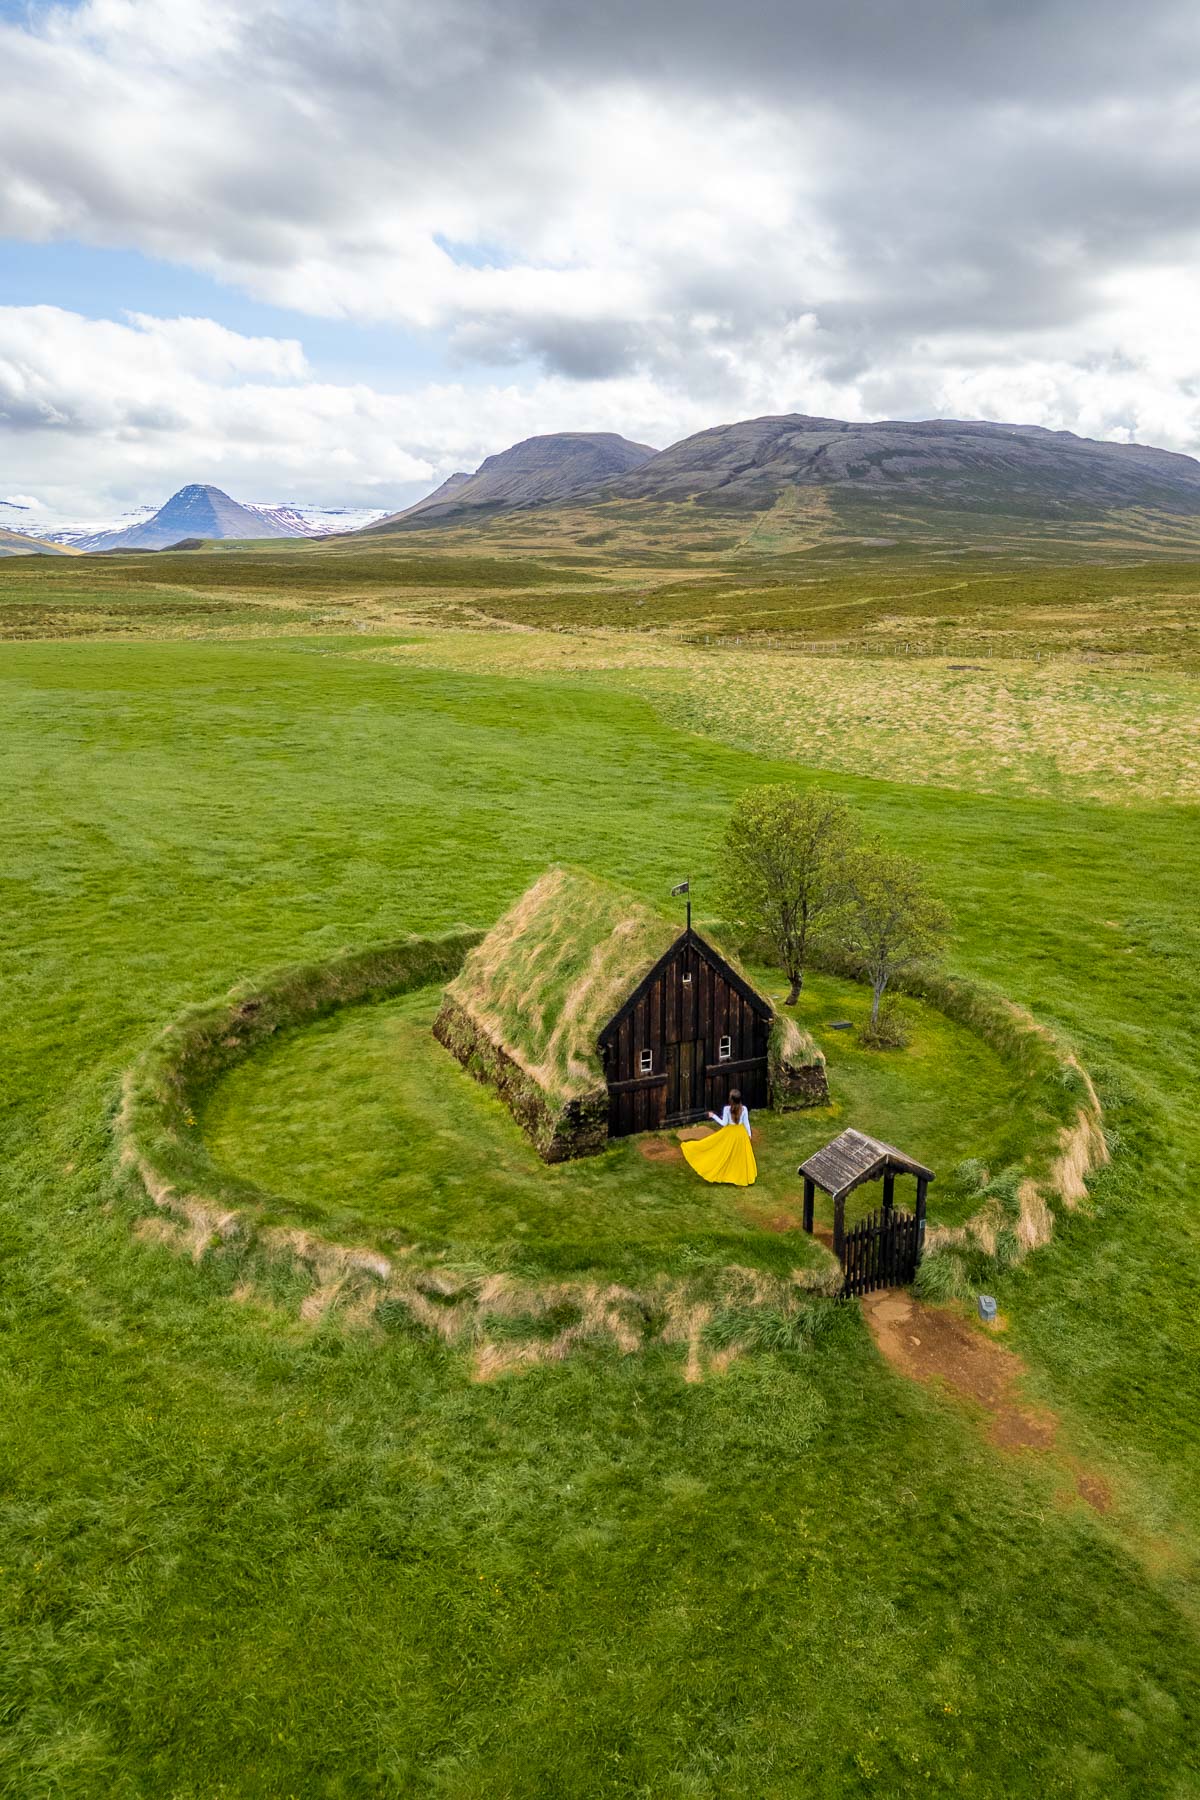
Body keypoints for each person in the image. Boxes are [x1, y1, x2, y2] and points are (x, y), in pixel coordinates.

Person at [680, 1089, 757, 1186]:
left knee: (726, 1153)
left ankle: (729, 1174)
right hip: (741, 1134)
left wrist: (713, 1116)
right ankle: (740, 1176)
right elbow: (746, 1123)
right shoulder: (744, 1109)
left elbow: (724, 1123)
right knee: (740, 1156)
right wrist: (749, 1134)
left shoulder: (727, 1109)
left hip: (730, 1133)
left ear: (731, 1100)